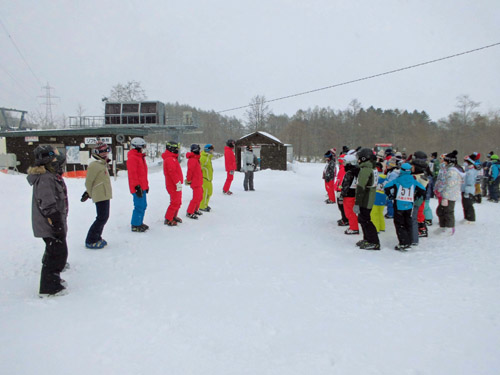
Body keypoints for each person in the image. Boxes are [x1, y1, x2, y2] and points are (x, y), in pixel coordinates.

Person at [27, 145, 69, 296]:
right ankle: (49, 287)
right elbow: (47, 203)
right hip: (49, 224)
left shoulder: (50, 176)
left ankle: (53, 279)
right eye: (54, 157)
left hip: (53, 222)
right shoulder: (45, 178)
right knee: (56, 254)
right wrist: (56, 223)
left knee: (56, 252)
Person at [384, 163, 426, 251]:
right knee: (408, 222)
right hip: (409, 204)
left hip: (399, 204)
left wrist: (390, 195)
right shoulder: (413, 180)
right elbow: (423, 189)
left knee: (399, 224)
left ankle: (403, 242)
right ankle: (409, 240)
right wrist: (416, 196)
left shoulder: (397, 180)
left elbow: (386, 187)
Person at [84, 142, 112, 249]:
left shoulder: (101, 163)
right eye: (102, 151)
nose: (105, 153)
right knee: (101, 217)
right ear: (96, 153)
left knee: (104, 217)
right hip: (100, 194)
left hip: (104, 194)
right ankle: (91, 239)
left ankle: (97, 236)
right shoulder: (94, 165)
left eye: (106, 150)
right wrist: (90, 193)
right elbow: (88, 182)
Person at [354, 148, 380, 250]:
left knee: (365, 219)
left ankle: (374, 241)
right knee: (362, 218)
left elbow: (361, 187)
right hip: (368, 196)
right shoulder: (371, 167)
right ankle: (367, 239)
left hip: (366, 198)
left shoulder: (366, 169)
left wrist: (357, 203)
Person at [435, 150, 464, 235]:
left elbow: (450, 185)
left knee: (448, 212)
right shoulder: (450, 170)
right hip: (447, 194)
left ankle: (449, 228)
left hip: (450, 195)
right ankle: (443, 226)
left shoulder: (453, 172)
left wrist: (445, 197)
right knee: (441, 211)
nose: (444, 163)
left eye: (445, 161)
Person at [127, 137, 149, 232]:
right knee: (139, 205)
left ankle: (139, 222)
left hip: (142, 186)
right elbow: (133, 174)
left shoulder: (140, 157)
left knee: (143, 205)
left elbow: (143, 174)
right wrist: (137, 186)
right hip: (137, 187)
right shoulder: (133, 158)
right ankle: (135, 224)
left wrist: (146, 186)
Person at [162, 141, 184, 226]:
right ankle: (168, 218)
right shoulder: (170, 159)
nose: (177, 150)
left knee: (178, 201)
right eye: (176, 149)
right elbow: (172, 173)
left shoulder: (173, 158)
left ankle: (174, 215)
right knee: (175, 202)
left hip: (176, 184)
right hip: (173, 185)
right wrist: (177, 183)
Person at [341, 153, 360, 235]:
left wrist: (342, 194)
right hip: (353, 194)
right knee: (351, 212)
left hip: (349, 195)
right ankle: (353, 226)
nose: (343, 164)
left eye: (345, 162)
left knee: (350, 212)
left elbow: (346, 185)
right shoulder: (356, 171)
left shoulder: (350, 173)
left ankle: (354, 228)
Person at [185, 144, 203, 219]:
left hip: (198, 181)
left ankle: (195, 209)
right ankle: (190, 212)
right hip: (195, 182)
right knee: (196, 198)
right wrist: (189, 180)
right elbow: (190, 171)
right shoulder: (192, 160)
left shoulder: (196, 159)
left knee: (200, 196)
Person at [461, 154, 479, 223]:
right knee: (465, 204)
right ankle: (466, 217)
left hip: (468, 191)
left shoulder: (471, 171)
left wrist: (467, 191)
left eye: (465, 161)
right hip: (464, 189)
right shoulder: (466, 170)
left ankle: (471, 218)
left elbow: (470, 182)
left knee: (468, 205)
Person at [370, 162, 387, 233]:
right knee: (380, 213)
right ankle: (382, 226)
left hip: (375, 197)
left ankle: (375, 228)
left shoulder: (375, 177)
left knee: (374, 214)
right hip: (383, 197)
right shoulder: (386, 178)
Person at [334, 153, 349, 226]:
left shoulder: (344, 169)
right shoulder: (342, 168)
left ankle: (345, 219)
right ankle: (344, 218)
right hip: (339, 189)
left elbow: (342, 180)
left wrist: (339, 188)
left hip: (341, 190)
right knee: (341, 205)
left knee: (341, 205)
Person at [199, 144, 214, 212]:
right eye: (211, 149)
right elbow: (199, 168)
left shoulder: (208, 157)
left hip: (209, 179)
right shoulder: (203, 158)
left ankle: (205, 204)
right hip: (204, 179)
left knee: (209, 193)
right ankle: (202, 206)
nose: (212, 150)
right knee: (204, 193)